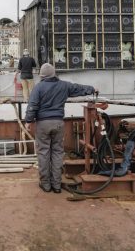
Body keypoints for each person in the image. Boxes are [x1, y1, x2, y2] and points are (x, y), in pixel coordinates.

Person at [25, 63, 96, 194]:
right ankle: (57, 185)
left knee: (43, 153)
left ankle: (46, 184)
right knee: (57, 153)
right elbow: (78, 88)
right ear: (54, 73)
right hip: (58, 123)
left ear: (42, 75)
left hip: (43, 124)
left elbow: (33, 105)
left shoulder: (38, 87)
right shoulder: (64, 85)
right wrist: (92, 89)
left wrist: (28, 120)